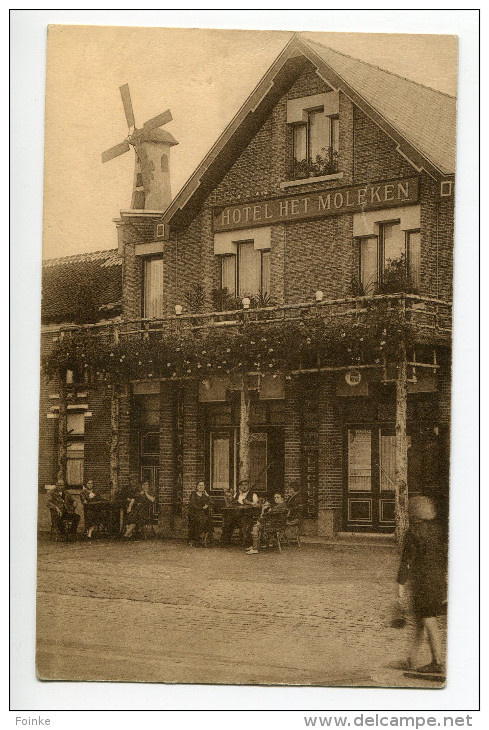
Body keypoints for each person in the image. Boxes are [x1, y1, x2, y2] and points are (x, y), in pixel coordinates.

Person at [396, 494, 447, 674]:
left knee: (428, 620)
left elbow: (406, 561)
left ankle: (437, 662)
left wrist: (400, 585)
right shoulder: (437, 531)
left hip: (423, 584)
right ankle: (411, 659)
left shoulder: (414, 532)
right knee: (420, 622)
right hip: (438, 582)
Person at [188, 481, 212, 546]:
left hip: (203, 514)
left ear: (204, 487)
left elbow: (212, 503)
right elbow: (192, 505)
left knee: (208, 521)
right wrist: (202, 508)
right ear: (197, 487)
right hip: (194, 513)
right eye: (199, 485)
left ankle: (204, 540)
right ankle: (197, 539)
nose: (201, 487)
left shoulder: (204, 496)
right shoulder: (193, 495)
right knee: (201, 520)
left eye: (202, 485)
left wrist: (208, 496)